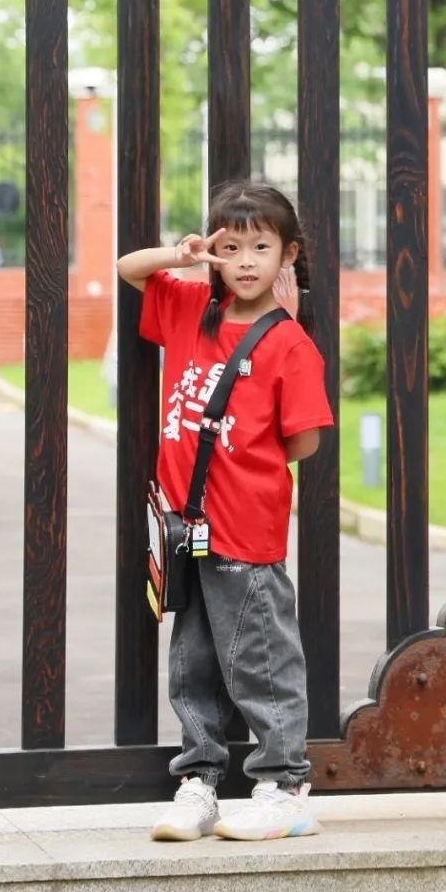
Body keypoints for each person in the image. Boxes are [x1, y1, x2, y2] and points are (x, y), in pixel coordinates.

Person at [117, 180, 332, 842]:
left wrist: (241, 460)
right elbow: (129, 269)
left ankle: (284, 787)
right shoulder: (190, 309)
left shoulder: (289, 344)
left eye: (260, 247)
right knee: (195, 662)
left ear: (288, 254)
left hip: (246, 525)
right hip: (189, 528)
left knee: (261, 658)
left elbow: (304, 440)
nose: (244, 261)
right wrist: (181, 256)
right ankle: (200, 782)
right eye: (230, 247)